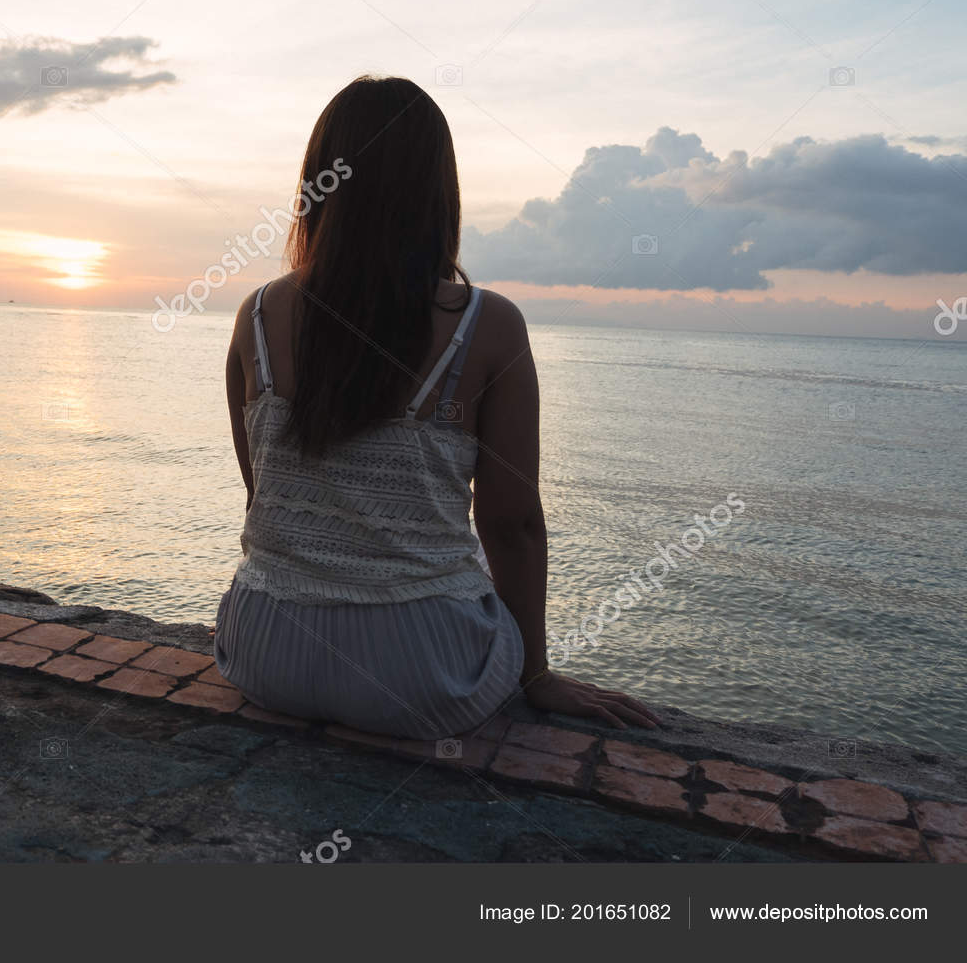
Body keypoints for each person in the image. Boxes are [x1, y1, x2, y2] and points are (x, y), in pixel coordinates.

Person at [216, 75, 658, 738]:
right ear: (437, 191)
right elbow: (512, 524)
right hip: (422, 673)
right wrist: (536, 674)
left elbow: (265, 499)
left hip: (264, 650)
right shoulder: (491, 325)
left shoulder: (255, 316)